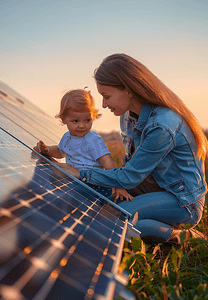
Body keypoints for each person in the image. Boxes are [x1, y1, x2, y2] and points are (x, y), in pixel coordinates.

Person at [57, 54, 208, 246]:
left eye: (106, 96)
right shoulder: (128, 116)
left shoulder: (161, 125)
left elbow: (129, 177)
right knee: (102, 207)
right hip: (151, 189)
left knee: (112, 220)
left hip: (182, 202)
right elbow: (131, 167)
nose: (103, 104)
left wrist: (81, 173)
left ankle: (185, 238)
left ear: (128, 90)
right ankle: (151, 227)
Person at [33, 88, 132, 202]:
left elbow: (107, 162)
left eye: (87, 120)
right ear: (63, 118)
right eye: (75, 121)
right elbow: (61, 152)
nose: (82, 126)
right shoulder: (67, 137)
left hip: (95, 185)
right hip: (76, 181)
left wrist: (118, 185)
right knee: (47, 174)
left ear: (93, 117)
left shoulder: (92, 140)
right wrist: (47, 150)